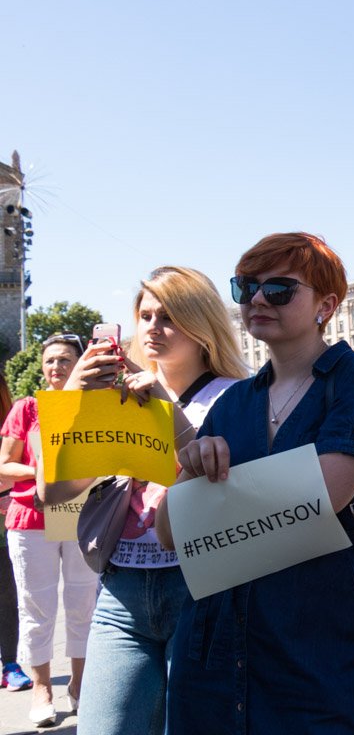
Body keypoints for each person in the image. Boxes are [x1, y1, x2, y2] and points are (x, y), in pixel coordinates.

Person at [156, 233, 354, 733]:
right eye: (246, 288)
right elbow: (171, 532)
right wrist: (191, 470)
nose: (258, 299)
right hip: (214, 648)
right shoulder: (232, 402)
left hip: (319, 642)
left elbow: (326, 492)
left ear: (325, 306)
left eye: (280, 289)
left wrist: (217, 495)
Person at [43, 267, 246, 735]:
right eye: (146, 315)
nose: (153, 327)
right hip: (121, 589)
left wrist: (163, 407)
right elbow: (55, 494)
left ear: (202, 324)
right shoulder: (109, 393)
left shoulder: (237, 396)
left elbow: (228, 490)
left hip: (199, 588)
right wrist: (72, 401)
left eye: (170, 316)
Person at [0, 333, 96, 726]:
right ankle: (41, 690)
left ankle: (79, 685)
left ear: (80, 365)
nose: (57, 368)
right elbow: (4, 465)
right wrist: (41, 472)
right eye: (51, 360)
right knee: (36, 607)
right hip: (31, 519)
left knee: (83, 605)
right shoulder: (26, 408)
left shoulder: (94, 409)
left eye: (65, 360)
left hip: (80, 517)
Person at [0, 374, 34, 693]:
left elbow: (16, 471)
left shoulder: (13, 424)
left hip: (6, 528)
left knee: (8, 596)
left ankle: (9, 664)